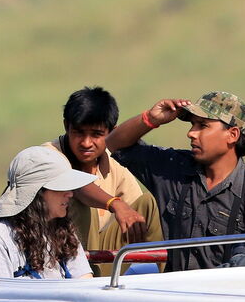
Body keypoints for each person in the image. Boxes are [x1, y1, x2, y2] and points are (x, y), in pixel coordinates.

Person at [105, 91, 245, 272]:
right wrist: (150, 119)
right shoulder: (173, 169)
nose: (191, 133)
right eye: (193, 124)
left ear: (232, 134)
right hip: (176, 289)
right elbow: (115, 144)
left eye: (203, 125)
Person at [42, 86, 164, 276]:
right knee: (81, 201)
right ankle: (86, 278)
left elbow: (133, 211)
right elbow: (78, 186)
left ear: (112, 133)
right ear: (66, 127)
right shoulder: (47, 155)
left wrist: (129, 213)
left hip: (99, 257)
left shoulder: (115, 162)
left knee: (152, 202)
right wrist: (114, 203)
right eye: (79, 133)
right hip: (53, 257)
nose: (86, 143)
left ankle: (173, 277)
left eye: (96, 134)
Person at [0, 146, 97, 279]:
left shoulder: (64, 231)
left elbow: (84, 282)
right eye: (61, 187)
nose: (70, 194)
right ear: (37, 193)